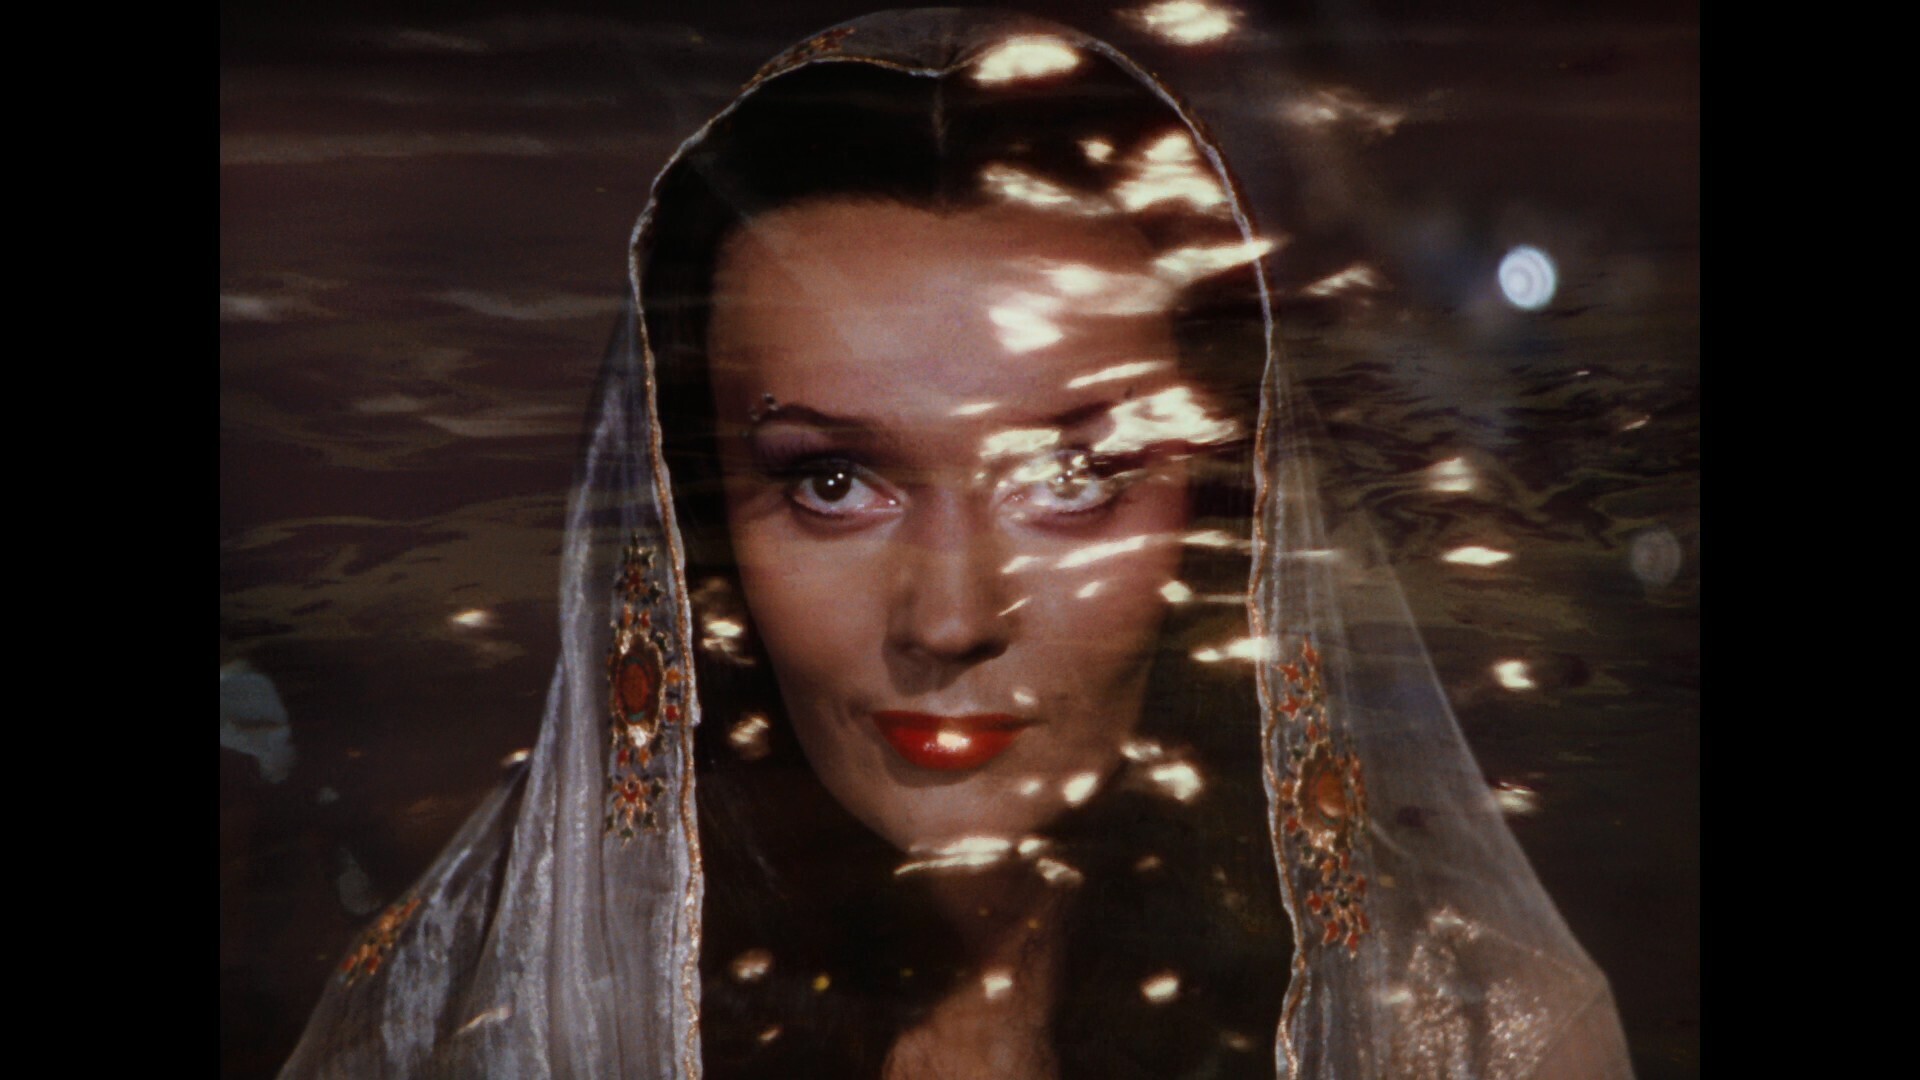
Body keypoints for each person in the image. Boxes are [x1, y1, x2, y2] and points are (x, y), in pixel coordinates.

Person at [280, 10, 1633, 1079]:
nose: (949, 616)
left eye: (1073, 479)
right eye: (831, 482)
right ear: (694, 531)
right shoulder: (478, 1034)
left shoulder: (1467, 1040)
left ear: (1232, 506)